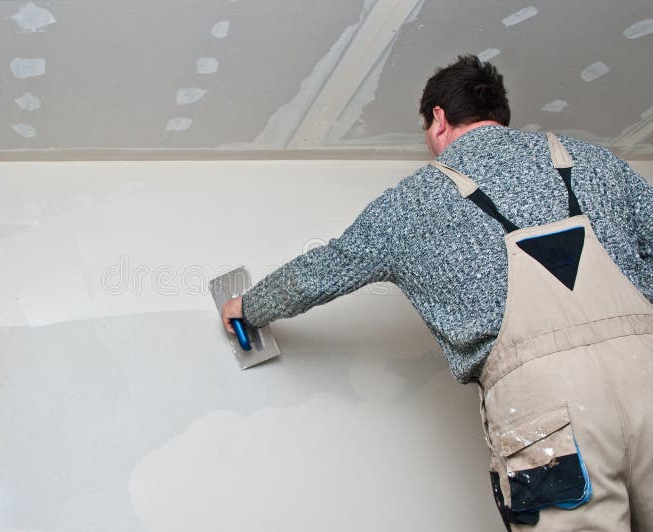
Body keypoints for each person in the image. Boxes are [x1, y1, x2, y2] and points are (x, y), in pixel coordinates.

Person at [221, 55, 653, 531]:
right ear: (498, 114)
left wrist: (250, 306)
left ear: (440, 118)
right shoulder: (595, 161)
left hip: (546, 409)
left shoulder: (415, 199)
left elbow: (328, 267)